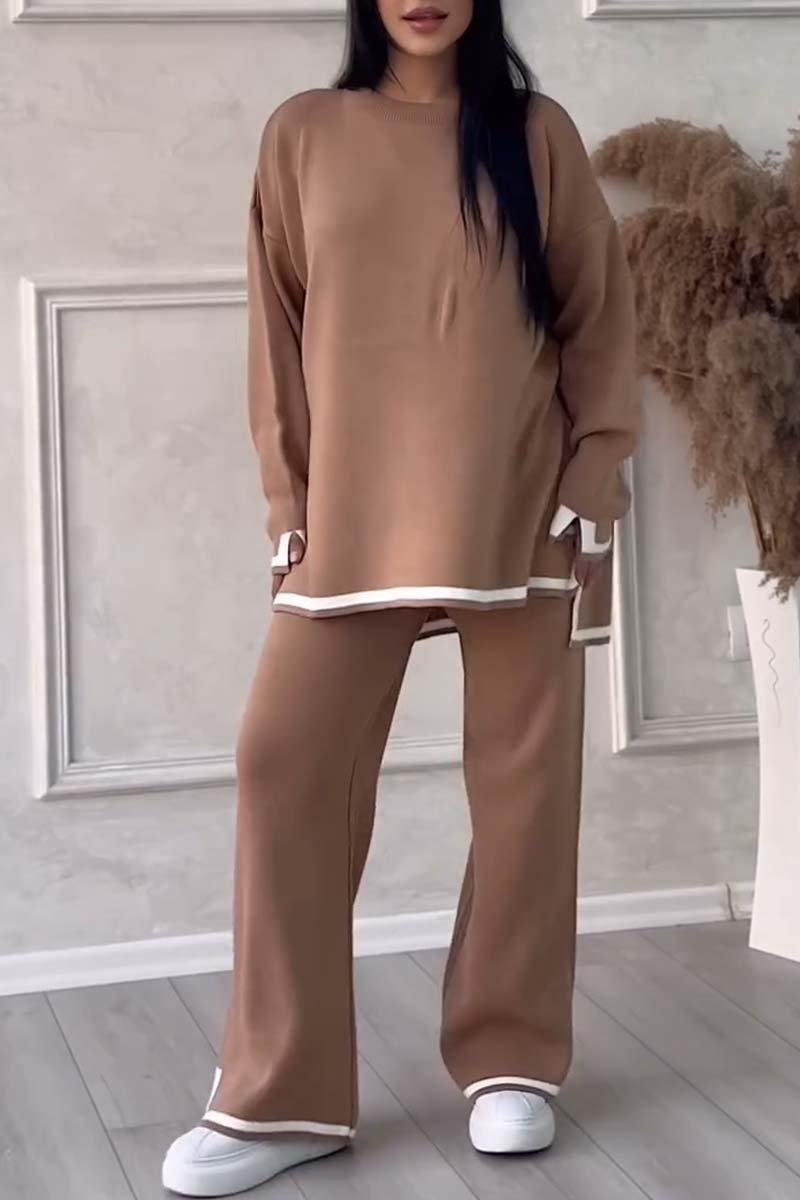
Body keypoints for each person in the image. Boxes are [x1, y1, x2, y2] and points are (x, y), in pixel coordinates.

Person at [162, 0, 640, 1193]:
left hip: (523, 501)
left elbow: (597, 315)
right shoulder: (304, 133)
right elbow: (275, 332)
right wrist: (288, 501)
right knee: (283, 760)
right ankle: (281, 1095)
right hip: (353, 511)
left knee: (523, 788)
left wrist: (594, 471)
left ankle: (511, 1059)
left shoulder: (531, 132)